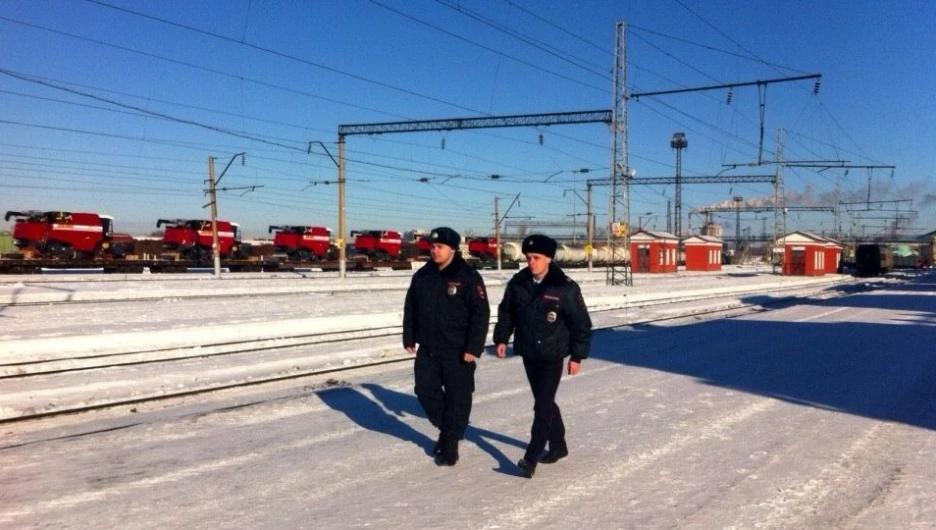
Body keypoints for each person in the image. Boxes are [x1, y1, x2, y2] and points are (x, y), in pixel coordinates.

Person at [493, 234, 592, 479]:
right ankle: (558, 445)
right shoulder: (519, 282)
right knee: (544, 402)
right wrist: (502, 338)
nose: (531, 262)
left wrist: (577, 357)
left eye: (536, 258)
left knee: (542, 406)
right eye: (528, 257)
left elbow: (582, 324)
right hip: (528, 352)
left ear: (548, 258)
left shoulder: (565, 286)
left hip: (552, 354)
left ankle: (531, 458)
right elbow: (507, 313)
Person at [402, 227, 490, 466]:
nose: (434, 251)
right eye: (432, 246)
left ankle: (450, 445)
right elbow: (411, 307)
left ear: (453, 249)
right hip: (428, 348)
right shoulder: (423, 276)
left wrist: (473, 347)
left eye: (439, 247)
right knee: (424, 391)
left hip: (459, 350)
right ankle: (451, 430)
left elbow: (481, 314)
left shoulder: (468, 276)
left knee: (457, 397)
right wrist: (409, 336)